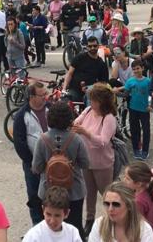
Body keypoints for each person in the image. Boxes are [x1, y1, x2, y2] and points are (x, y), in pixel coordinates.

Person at [32, 101, 90, 236]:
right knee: (74, 228)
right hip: (74, 191)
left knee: (49, 230)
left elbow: (36, 167)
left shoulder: (43, 139)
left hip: (48, 190)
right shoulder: (76, 139)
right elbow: (85, 164)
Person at [71, 83, 117, 233]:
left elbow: (103, 141)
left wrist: (85, 133)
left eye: (94, 100)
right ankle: (89, 221)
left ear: (102, 101)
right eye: (90, 99)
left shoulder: (109, 118)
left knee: (107, 194)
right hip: (86, 161)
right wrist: (75, 124)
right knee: (89, 193)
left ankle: (111, 220)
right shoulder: (89, 110)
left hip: (102, 163)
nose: (91, 103)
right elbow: (77, 121)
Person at [13, 82, 49, 225]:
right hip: (32, 164)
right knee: (34, 197)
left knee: (53, 196)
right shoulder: (22, 115)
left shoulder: (50, 109)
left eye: (46, 94)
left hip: (53, 162)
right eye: (42, 95)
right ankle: (37, 227)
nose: (45, 97)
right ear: (32, 97)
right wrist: (32, 162)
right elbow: (19, 142)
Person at [87, 182, 153, 242]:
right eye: (107, 204)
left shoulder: (144, 229)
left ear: (129, 206)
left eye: (116, 204)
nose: (110, 209)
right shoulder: (99, 224)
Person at [62, 36, 109, 102]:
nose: (92, 48)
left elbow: (103, 83)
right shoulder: (80, 57)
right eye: (90, 46)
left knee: (91, 100)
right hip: (75, 89)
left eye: (95, 46)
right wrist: (64, 89)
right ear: (87, 47)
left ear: (98, 46)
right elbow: (69, 73)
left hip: (91, 92)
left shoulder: (102, 64)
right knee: (66, 100)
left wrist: (92, 88)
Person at [123, 162, 153, 241]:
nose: (124, 180)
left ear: (138, 184)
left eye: (127, 178)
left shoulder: (138, 201)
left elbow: (137, 223)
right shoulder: (148, 191)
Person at [125, 60, 152, 159]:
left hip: (145, 110)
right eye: (134, 69)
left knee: (146, 130)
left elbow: (152, 94)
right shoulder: (130, 81)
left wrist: (151, 106)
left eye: (138, 68)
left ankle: (145, 150)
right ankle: (136, 149)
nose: (136, 71)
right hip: (133, 109)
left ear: (142, 68)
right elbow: (126, 94)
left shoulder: (148, 81)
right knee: (134, 129)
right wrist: (115, 91)